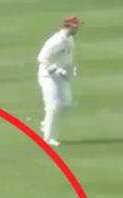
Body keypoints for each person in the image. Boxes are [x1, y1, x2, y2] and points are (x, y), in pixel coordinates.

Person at [37, 16, 80, 146]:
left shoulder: (70, 40)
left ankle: (46, 123)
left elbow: (68, 57)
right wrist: (55, 70)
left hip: (61, 75)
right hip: (48, 76)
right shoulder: (55, 41)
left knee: (67, 103)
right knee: (53, 107)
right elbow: (41, 58)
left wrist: (71, 68)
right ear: (69, 27)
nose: (77, 29)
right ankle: (48, 138)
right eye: (75, 26)